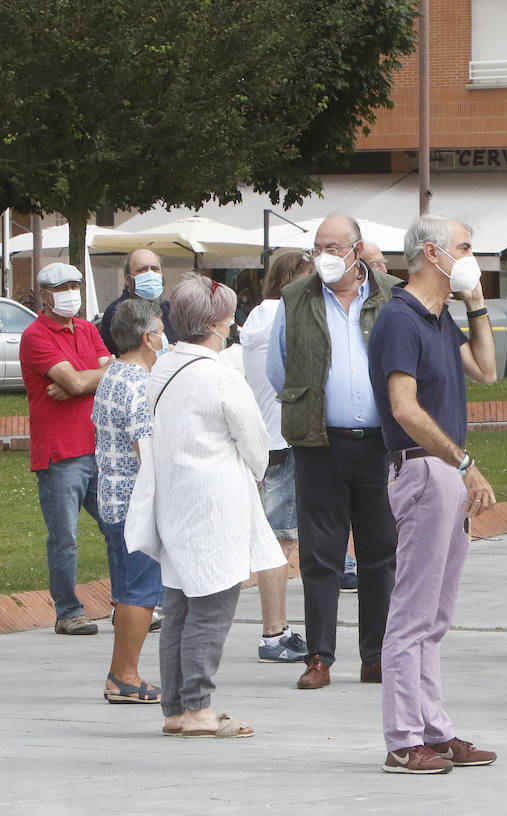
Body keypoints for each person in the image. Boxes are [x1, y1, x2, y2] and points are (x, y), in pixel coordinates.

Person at [369, 214, 500, 773]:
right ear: (432, 252)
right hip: (425, 470)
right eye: (465, 247)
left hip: (442, 470)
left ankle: (433, 729)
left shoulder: (439, 318)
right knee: (413, 613)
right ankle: (404, 737)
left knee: (435, 614)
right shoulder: (399, 319)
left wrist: (475, 303)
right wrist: (462, 462)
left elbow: (488, 371)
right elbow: (403, 406)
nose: (473, 256)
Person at [268, 216, 404, 690]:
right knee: (320, 556)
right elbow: (278, 368)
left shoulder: (392, 293)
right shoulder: (297, 298)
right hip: (319, 444)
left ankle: (377, 656)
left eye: (332, 246)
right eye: (316, 247)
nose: (322, 255)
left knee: (379, 553)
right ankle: (319, 657)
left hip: (381, 445)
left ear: (357, 249)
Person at [148, 275, 285, 738]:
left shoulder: (163, 368)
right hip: (214, 502)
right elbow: (255, 445)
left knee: (180, 606)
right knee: (212, 604)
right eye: (228, 315)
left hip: (174, 499)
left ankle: (176, 707)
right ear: (214, 323)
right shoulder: (221, 375)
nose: (233, 321)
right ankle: (199, 708)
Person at [19, 262, 114, 635]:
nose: (69, 292)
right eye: (61, 287)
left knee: (117, 528)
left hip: (97, 446)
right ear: (44, 295)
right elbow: (83, 378)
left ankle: (127, 603)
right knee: (65, 537)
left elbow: (108, 373)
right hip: (59, 453)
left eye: (74, 284)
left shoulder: (88, 329)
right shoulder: (35, 336)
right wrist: (87, 379)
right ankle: (68, 611)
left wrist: (79, 383)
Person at [241, 249, 311, 664]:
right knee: (279, 543)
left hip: (268, 439)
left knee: (276, 539)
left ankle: (278, 629)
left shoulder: (258, 316)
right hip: (283, 442)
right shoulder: (282, 317)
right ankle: (274, 633)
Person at [92, 299, 164, 703]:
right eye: (158, 327)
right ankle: (126, 675)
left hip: (112, 499)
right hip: (135, 503)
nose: (162, 334)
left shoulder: (112, 374)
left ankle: (119, 673)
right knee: (140, 591)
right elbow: (146, 450)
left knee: (126, 588)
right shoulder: (138, 384)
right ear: (146, 336)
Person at [100, 249, 179, 354]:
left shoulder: (172, 310)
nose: (150, 274)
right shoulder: (117, 312)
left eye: (155, 269)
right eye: (142, 270)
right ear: (127, 279)